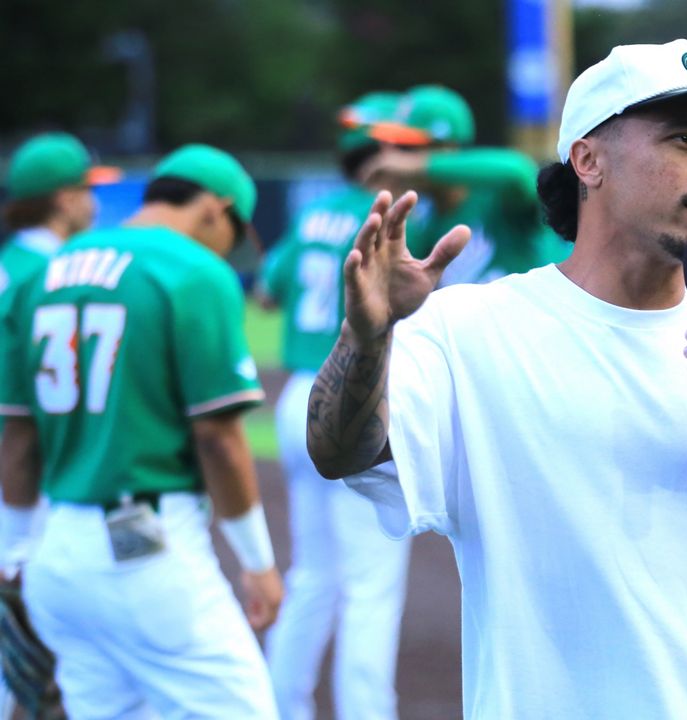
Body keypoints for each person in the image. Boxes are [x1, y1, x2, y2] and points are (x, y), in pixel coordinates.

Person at [306, 38, 687, 719]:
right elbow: (338, 452)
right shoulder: (468, 330)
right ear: (588, 160)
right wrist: (366, 338)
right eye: (683, 139)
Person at [0, 144, 284, 719]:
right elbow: (218, 437)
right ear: (216, 208)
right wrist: (258, 563)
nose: (227, 247)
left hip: (57, 553)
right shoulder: (193, 270)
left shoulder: (43, 271)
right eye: (234, 232)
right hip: (143, 550)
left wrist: (12, 551)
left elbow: (19, 439)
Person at [258, 91, 428, 720]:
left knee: (313, 574)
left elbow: (269, 292)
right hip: (356, 398)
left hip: (297, 397)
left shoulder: (314, 213)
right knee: (370, 587)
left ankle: (282, 706)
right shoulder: (395, 215)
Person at [0, 131, 120, 719]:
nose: (94, 203)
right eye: (87, 190)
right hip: (33, 470)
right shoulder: (60, 274)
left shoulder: (9, 265)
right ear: (63, 199)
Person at [361, 84, 571, 286]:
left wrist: (417, 165)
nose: (393, 159)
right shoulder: (424, 220)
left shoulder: (497, 197)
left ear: (447, 148)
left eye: (406, 148)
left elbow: (519, 171)